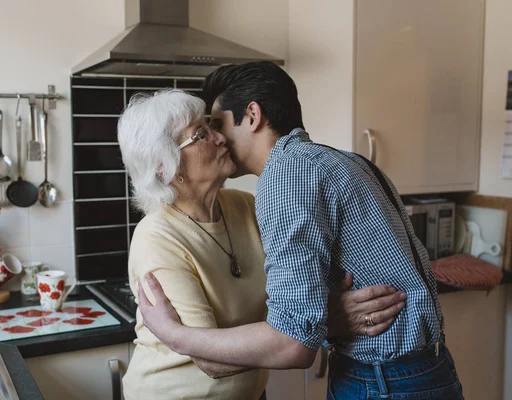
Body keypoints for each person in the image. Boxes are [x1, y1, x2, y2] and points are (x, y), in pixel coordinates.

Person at [137, 62, 464, 399]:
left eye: (217, 125)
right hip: (423, 369)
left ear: (252, 115)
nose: (218, 138)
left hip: (385, 381)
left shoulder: (285, 180)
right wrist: (324, 320)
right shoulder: (342, 159)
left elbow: (293, 342)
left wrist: (172, 335)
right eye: (204, 132)